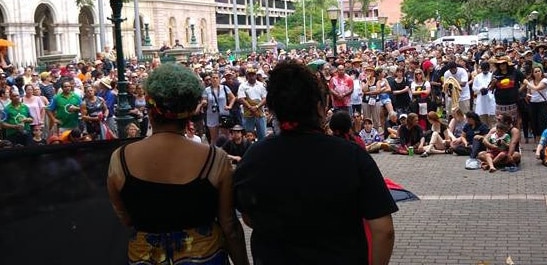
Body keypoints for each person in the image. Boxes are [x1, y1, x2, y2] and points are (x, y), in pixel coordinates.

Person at [234, 61, 397, 264]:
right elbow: (384, 230)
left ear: (272, 108)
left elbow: (248, 217)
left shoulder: (254, 157)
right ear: (320, 107)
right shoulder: (351, 155)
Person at [106, 63, 249, 265]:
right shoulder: (215, 158)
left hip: (145, 257)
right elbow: (230, 226)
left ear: (149, 109)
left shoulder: (120, 158)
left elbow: (126, 218)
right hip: (205, 257)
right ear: (191, 111)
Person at [237, 67, 267, 140]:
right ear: (247, 76)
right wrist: (250, 107)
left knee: (262, 135)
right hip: (248, 114)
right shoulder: (242, 86)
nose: (251, 76)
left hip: (260, 113)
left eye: (253, 75)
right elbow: (241, 98)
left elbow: (265, 98)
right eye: (249, 75)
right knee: (248, 135)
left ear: (256, 75)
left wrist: (256, 106)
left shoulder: (261, 85)